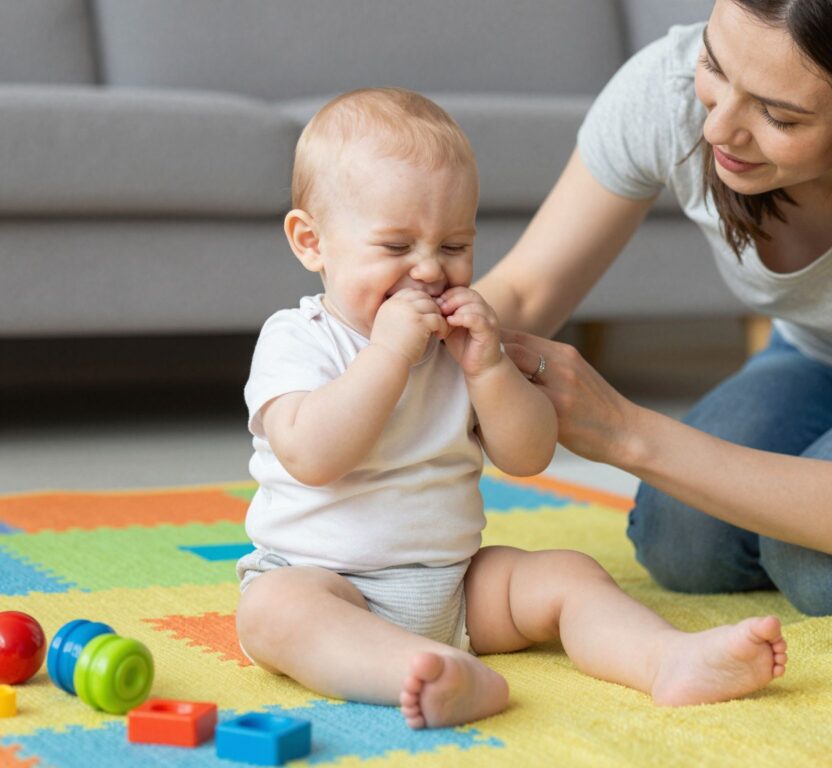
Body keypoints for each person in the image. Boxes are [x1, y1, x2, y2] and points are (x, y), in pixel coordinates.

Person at [234, 87, 787, 730]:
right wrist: (385, 355)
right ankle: (420, 671)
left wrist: (491, 368)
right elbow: (311, 455)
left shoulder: (461, 345)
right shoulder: (298, 339)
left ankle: (664, 658)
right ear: (312, 242)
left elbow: (527, 456)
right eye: (395, 247)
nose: (430, 271)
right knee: (274, 613)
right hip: (323, 579)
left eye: (453, 246)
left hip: (456, 586)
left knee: (568, 575)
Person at [477, 0, 832, 616]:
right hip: (824, 354)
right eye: (715, 65)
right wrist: (389, 359)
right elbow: (525, 291)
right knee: (683, 543)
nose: (717, 129)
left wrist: (623, 430)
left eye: (778, 116)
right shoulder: (668, 89)